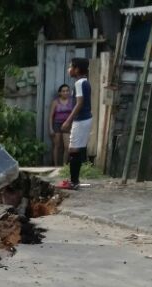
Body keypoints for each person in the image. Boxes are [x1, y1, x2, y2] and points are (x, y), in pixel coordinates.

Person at [60, 58, 92, 190]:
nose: (69, 69)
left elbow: (79, 103)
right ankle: (75, 180)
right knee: (76, 150)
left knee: (73, 150)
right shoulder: (86, 82)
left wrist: (68, 121)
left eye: (70, 67)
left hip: (81, 120)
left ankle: (73, 182)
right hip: (85, 119)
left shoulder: (79, 83)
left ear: (77, 69)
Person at [48, 83, 73, 168]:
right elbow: (51, 116)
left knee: (67, 146)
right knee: (57, 145)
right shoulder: (55, 102)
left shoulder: (72, 101)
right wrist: (51, 128)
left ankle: (64, 166)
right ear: (60, 93)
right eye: (63, 91)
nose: (66, 92)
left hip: (67, 125)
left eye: (67, 91)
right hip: (57, 124)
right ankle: (55, 166)